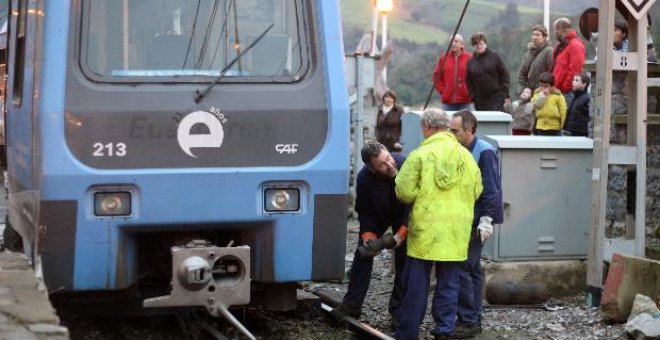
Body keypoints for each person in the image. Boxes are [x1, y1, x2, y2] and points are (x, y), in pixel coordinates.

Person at [394, 108, 482, 340]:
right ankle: (444, 331)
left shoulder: (420, 155)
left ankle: (408, 332)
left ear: (427, 127)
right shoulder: (466, 157)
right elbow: (477, 190)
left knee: (417, 285)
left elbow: (403, 191)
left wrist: (420, 193)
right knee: (449, 285)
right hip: (456, 231)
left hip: (426, 229)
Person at [331, 143, 410, 330]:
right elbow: (365, 212)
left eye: (388, 158)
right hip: (379, 213)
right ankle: (352, 303)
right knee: (363, 254)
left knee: (405, 261)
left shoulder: (406, 165)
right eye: (382, 164)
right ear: (372, 169)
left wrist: (401, 234)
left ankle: (399, 311)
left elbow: (415, 207)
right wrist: (369, 237)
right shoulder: (364, 179)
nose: (389, 165)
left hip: (405, 214)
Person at [450, 110, 504, 339]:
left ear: (469, 130)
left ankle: (469, 320)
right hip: (466, 217)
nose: (451, 134)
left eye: (456, 130)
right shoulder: (460, 150)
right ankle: (473, 318)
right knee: (471, 269)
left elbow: (491, 190)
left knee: (464, 268)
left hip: (477, 219)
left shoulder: (484, 152)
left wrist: (485, 221)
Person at [466, 32, 510, 111]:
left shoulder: (494, 57)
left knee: (495, 121)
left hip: (496, 98)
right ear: (473, 46)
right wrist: (473, 96)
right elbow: (468, 81)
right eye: (476, 44)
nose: (479, 46)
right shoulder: (470, 62)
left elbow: (505, 75)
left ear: (485, 44)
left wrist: (503, 93)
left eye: (481, 44)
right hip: (479, 100)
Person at [432, 34, 474, 111]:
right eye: (451, 41)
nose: (453, 43)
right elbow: (436, 77)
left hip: (466, 102)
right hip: (448, 102)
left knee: (467, 123)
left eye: (456, 41)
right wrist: (444, 91)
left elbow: (476, 77)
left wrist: (470, 92)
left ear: (462, 45)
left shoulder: (470, 58)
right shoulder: (443, 58)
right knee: (446, 123)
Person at [551, 18, 586, 109]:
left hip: (566, 93)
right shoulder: (562, 45)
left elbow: (575, 70)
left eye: (555, 30)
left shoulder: (575, 45)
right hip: (559, 91)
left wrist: (565, 87)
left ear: (560, 30)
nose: (555, 32)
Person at [517, 24, 554, 97]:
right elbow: (521, 75)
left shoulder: (549, 51)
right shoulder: (528, 53)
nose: (534, 37)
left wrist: (545, 92)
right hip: (528, 94)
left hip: (543, 95)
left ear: (544, 37)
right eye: (533, 34)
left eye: (538, 35)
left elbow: (552, 74)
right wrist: (522, 91)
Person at [562, 72, 591, 137]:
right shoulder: (573, 96)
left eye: (576, 80)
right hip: (569, 131)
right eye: (573, 80)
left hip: (579, 133)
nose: (573, 82)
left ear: (584, 84)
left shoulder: (587, 98)